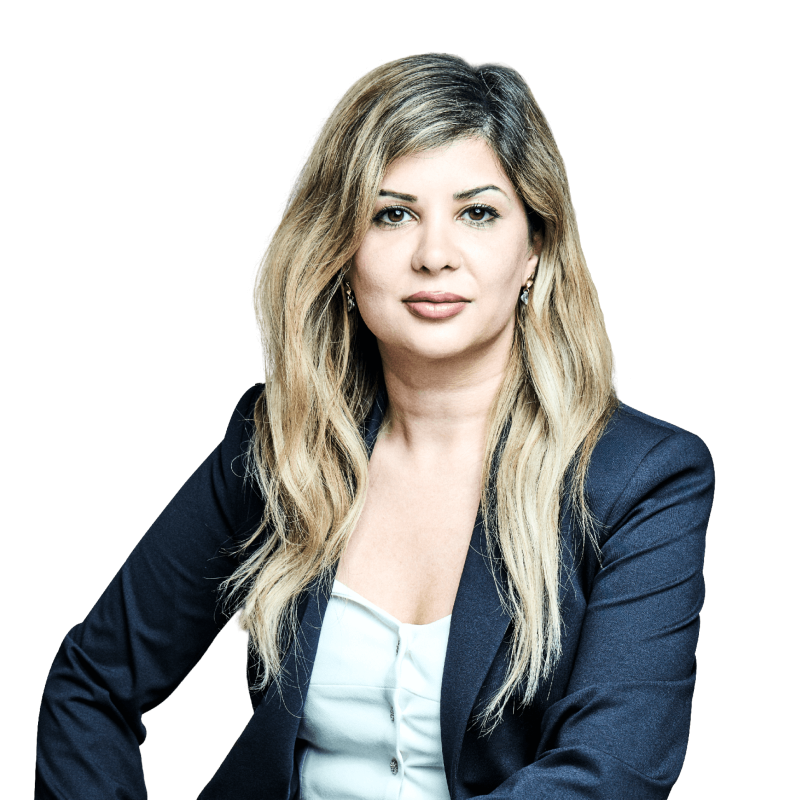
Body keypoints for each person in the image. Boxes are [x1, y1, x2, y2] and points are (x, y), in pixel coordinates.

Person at [35, 52, 714, 799]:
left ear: (535, 250)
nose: (434, 256)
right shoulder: (282, 448)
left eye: (477, 213)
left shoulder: (642, 479)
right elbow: (91, 684)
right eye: (393, 214)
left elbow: (607, 777)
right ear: (341, 253)